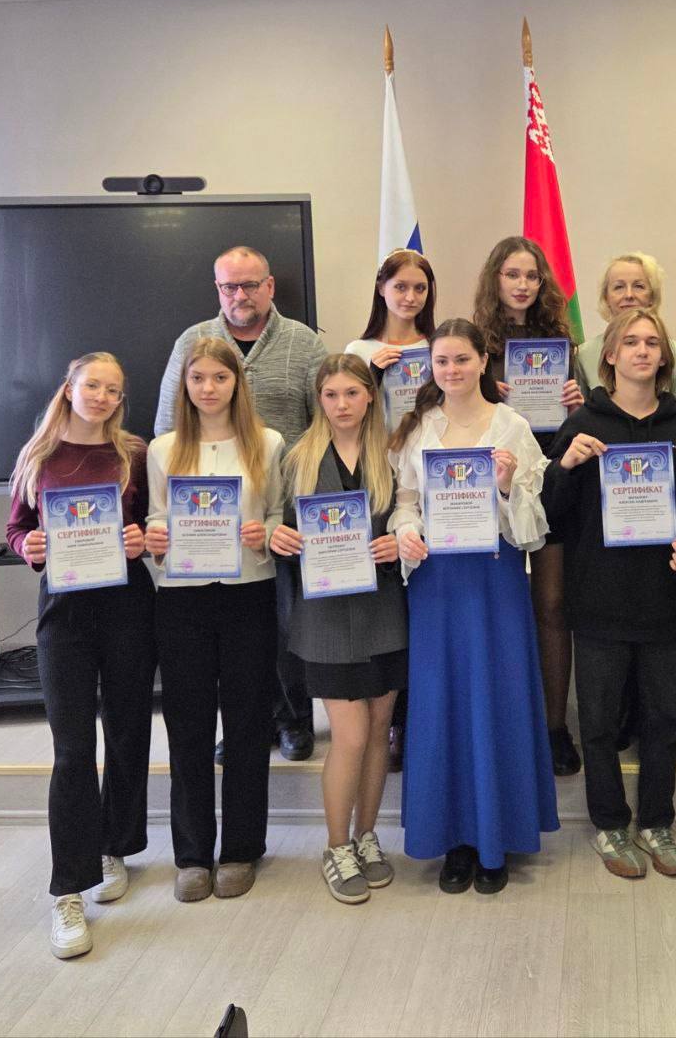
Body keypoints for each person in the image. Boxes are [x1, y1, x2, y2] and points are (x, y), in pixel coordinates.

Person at [391, 318, 559, 895]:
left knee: (496, 697)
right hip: (436, 582)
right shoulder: (419, 427)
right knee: (442, 703)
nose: (451, 370)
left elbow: (533, 526)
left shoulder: (513, 426)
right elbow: (405, 501)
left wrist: (509, 486)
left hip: (495, 581)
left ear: (484, 361)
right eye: (441, 361)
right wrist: (407, 531)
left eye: (461, 359)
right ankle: (454, 840)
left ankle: (497, 838)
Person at [543, 308, 676, 880]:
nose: (642, 350)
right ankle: (610, 823)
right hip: (599, 599)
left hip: (664, 599)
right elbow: (549, 516)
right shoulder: (582, 425)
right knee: (598, 721)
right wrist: (566, 465)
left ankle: (657, 821)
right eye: (630, 342)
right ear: (609, 355)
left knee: (665, 718)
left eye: (652, 343)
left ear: (665, 357)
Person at [6, 353, 154, 960]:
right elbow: (17, 528)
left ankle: (113, 847)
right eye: (92, 385)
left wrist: (142, 538)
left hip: (127, 607)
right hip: (63, 614)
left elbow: (151, 524)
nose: (102, 396)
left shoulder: (133, 453)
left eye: (113, 389)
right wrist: (30, 545)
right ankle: (67, 891)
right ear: (69, 388)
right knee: (71, 749)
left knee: (127, 732)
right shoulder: (37, 455)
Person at [156, 245, 327, 763]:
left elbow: (324, 423)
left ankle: (293, 719)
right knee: (234, 636)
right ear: (218, 289)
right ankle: (247, 726)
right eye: (229, 286)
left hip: (284, 509)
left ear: (269, 286)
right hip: (208, 519)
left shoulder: (304, 343)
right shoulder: (192, 341)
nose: (240, 295)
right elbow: (167, 425)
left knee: (286, 623)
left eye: (250, 284)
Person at [145, 338, 285, 903]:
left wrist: (263, 534)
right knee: (188, 726)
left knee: (248, 723)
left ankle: (242, 849)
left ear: (236, 383)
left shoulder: (268, 443)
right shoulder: (163, 449)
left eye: (219, 378)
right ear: (184, 385)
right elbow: (157, 517)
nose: (208, 388)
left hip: (249, 592)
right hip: (182, 599)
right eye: (198, 378)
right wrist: (157, 537)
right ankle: (192, 854)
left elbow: (278, 515)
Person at [270, 355, 406, 905]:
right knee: (349, 736)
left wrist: (401, 541)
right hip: (325, 619)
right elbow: (275, 525)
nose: (342, 404)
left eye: (352, 393)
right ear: (318, 400)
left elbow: (413, 518)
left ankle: (367, 837)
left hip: (384, 612)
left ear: (370, 395)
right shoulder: (296, 458)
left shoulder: (392, 453)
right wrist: (279, 538)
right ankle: (336, 846)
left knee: (377, 733)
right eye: (331, 395)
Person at [473, 236, 586, 777]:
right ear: (495, 279)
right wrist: (481, 393)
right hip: (492, 489)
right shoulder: (475, 344)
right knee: (495, 608)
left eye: (532, 276)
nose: (523, 285)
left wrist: (577, 402)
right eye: (512, 274)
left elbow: (581, 423)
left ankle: (555, 727)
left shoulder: (562, 343)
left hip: (552, 483)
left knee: (552, 606)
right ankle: (501, 721)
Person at [345, 247, 437, 772]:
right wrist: (370, 376)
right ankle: (387, 716)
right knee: (387, 605)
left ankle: (414, 716)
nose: (409, 296)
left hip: (427, 487)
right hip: (377, 485)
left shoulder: (437, 347)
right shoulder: (359, 350)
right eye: (400, 286)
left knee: (419, 603)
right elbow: (341, 414)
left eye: (419, 288)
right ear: (381, 289)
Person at [576, 252, 676, 415]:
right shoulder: (584, 354)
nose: (629, 295)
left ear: (652, 296)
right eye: (619, 287)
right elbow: (580, 416)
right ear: (606, 298)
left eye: (639, 286)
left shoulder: (675, 352)